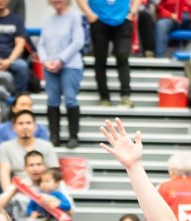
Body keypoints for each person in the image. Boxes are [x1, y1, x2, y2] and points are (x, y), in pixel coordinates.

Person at [37, 0, 85, 148]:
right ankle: (54, 136)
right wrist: (45, 61)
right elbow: (41, 43)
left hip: (70, 65)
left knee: (70, 98)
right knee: (52, 100)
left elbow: (78, 42)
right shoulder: (48, 19)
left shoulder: (75, 17)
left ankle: (73, 136)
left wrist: (61, 60)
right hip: (50, 66)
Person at [77, 0, 134, 108]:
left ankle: (125, 96)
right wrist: (89, 14)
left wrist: (133, 12)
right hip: (99, 20)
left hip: (123, 19)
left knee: (122, 56)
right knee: (100, 59)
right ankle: (104, 97)